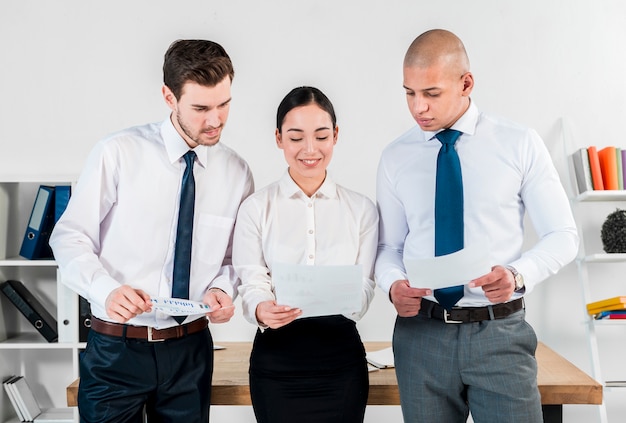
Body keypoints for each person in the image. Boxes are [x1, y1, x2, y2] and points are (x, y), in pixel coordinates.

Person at [375, 29, 579, 423]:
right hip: (422, 336)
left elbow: (563, 236)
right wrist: (392, 285)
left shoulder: (519, 143)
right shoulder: (395, 157)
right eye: (409, 93)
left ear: (466, 83)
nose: (419, 107)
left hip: (499, 332)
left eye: (431, 93)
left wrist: (517, 275)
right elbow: (389, 248)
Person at [49, 39, 254, 423]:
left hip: (190, 351)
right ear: (168, 96)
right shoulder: (118, 153)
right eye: (201, 108)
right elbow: (68, 237)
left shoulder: (237, 173)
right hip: (116, 349)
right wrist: (106, 291)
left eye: (224, 104)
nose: (215, 120)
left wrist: (222, 289)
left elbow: (232, 258)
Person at [233, 86, 378, 423]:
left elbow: (365, 287)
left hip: (341, 361)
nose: (310, 149)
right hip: (277, 362)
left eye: (321, 136)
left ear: (336, 136)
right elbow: (252, 280)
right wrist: (261, 307)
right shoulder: (256, 208)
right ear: (279, 138)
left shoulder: (361, 210)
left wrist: (346, 297)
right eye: (296, 137)